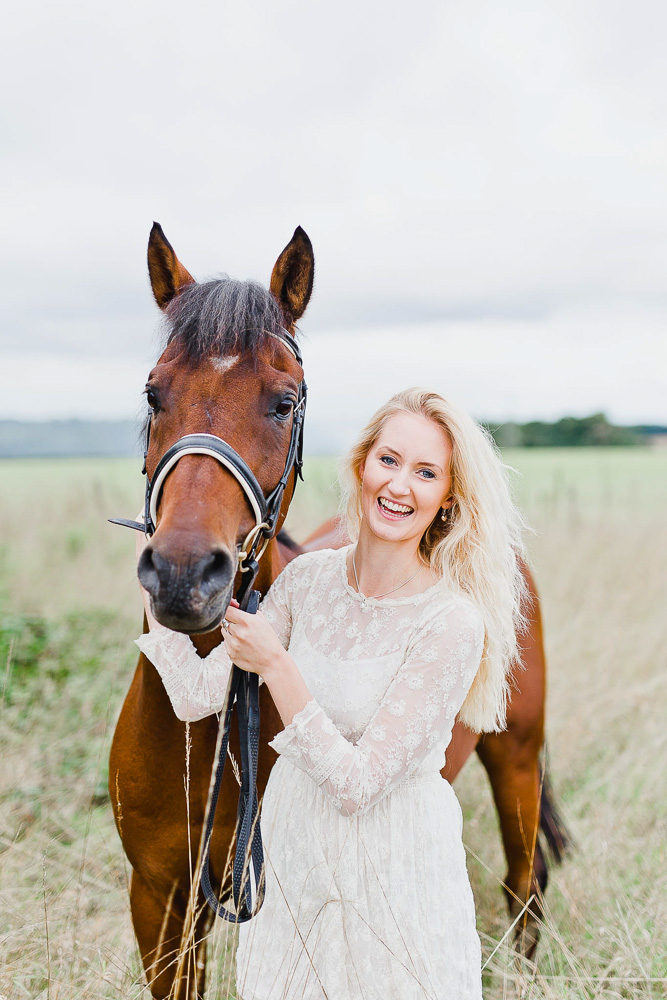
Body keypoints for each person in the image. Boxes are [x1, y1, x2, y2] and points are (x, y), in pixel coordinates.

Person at [135, 387, 527, 1000]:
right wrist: (160, 593)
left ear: (448, 500)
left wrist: (277, 666)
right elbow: (195, 696)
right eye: (389, 460)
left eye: (426, 473)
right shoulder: (308, 581)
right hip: (297, 862)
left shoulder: (450, 622)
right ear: (361, 464)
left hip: (394, 872)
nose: (400, 486)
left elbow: (357, 785)